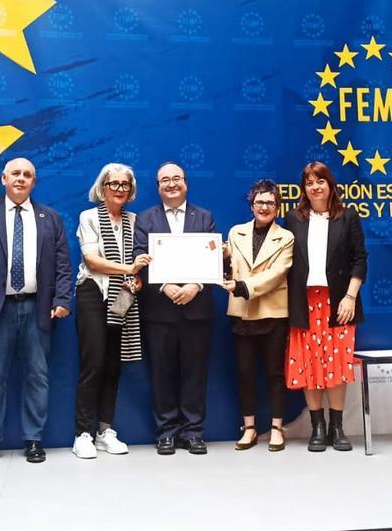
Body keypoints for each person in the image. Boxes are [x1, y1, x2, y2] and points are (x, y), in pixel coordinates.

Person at [0, 157, 71, 465]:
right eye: (16, 174)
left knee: (38, 375)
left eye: (28, 175)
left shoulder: (51, 218)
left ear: (34, 182)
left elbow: (63, 265)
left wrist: (63, 299)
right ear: (4, 179)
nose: (21, 179)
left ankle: (33, 440)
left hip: (39, 308)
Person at [284, 161, 368, 452]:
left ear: (331, 185)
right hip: (304, 302)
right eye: (309, 182)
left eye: (320, 181)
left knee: (336, 364)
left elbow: (360, 258)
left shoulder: (348, 217)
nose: (315, 187)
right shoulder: (294, 219)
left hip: (338, 303)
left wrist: (350, 296)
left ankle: (337, 427)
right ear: (303, 189)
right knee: (309, 364)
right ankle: (317, 427)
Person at [134, 162, 217, 455]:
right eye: (164, 180)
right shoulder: (145, 219)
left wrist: (195, 285)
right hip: (159, 310)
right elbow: (139, 257)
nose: (171, 184)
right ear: (158, 186)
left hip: (197, 307)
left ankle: (193, 432)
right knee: (162, 373)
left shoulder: (204, 217)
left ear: (186, 183)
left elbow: (213, 258)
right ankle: (167, 432)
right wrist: (165, 285)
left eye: (176, 179)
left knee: (195, 373)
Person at [71, 163, 151, 459]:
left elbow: (140, 264)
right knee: (93, 364)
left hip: (123, 296)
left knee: (113, 365)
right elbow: (92, 261)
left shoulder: (135, 220)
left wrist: (137, 278)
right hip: (93, 292)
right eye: (113, 184)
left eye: (124, 185)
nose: (119, 189)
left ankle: (105, 430)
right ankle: (82, 434)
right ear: (102, 187)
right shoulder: (88, 217)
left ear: (131, 191)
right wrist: (129, 268)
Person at [221, 179, 294, 452]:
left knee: (275, 373)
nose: (264, 207)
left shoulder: (286, 237)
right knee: (244, 372)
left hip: (273, 312)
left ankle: (276, 428)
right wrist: (219, 257)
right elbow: (230, 266)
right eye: (259, 202)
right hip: (241, 312)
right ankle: (249, 428)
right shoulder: (235, 232)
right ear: (251, 205)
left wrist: (242, 286)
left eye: (270, 202)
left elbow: (277, 274)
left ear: (277, 207)